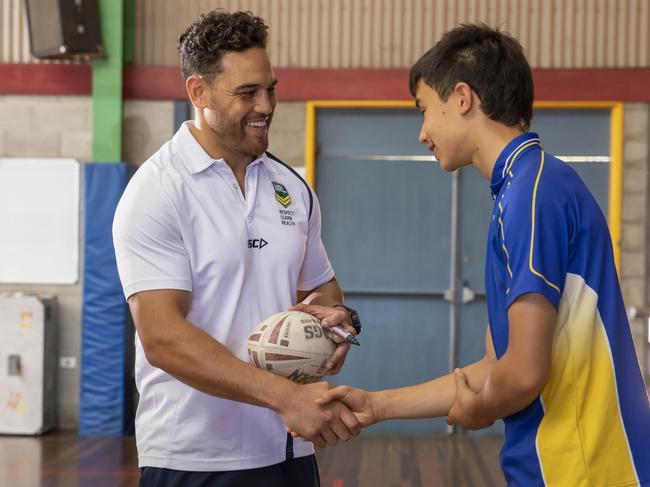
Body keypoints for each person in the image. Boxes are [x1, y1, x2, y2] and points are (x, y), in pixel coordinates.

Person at [316, 24, 650, 486]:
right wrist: (378, 406)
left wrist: (479, 409)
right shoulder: (520, 190)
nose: (422, 133)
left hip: (583, 469)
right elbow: (497, 366)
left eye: (424, 110)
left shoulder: (534, 192)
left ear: (461, 97)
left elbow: (521, 374)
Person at [112, 10, 361, 487]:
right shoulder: (158, 191)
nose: (265, 105)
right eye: (247, 93)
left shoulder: (293, 188)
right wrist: (284, 397)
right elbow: (162, 338)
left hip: (289, 448)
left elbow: (324, 290)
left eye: (270, 88)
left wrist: (340, 322)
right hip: (191, 458)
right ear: (198, 93)